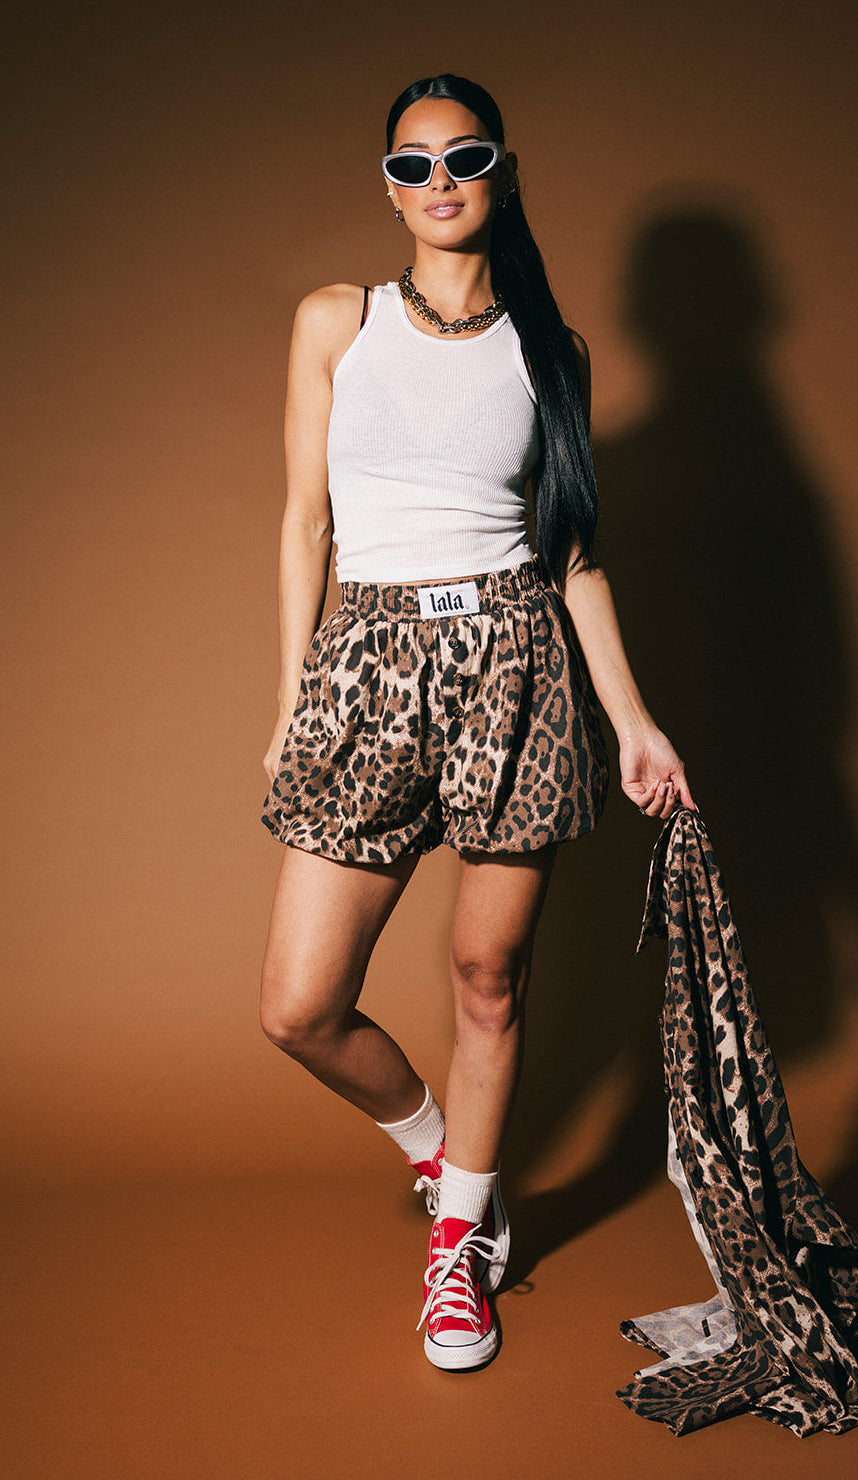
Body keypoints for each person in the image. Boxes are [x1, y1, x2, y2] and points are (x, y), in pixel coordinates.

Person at [259, 73, 694, 1372]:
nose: (440, 180)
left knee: (487, 981)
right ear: (389, 187)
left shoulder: (553, 353)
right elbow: (305, 524)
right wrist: (290, 701)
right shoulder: (335, 321)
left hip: (514, 670)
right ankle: (446, 1155)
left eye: (465, 156)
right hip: (365, 668)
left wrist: (634, 722)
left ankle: (460, 1246)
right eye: (413, 163)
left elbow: (573, 559)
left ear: (502, 173)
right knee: (298, 1005)